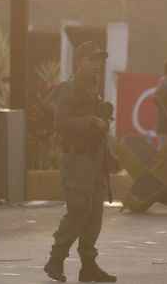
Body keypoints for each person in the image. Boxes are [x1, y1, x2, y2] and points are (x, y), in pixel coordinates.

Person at [43, 40, 119, 283]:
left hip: (94, 159)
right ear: (80, 61)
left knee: (95, 213)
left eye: (99, 61)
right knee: (79, 211)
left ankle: (88, 266)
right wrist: (90, 121)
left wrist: (109, 155)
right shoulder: (69, 89)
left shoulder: (92, 91)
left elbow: (99, 129)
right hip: (76, 158)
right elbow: (60, 124)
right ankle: (55, 260)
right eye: (91, 60)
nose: (96, 65)